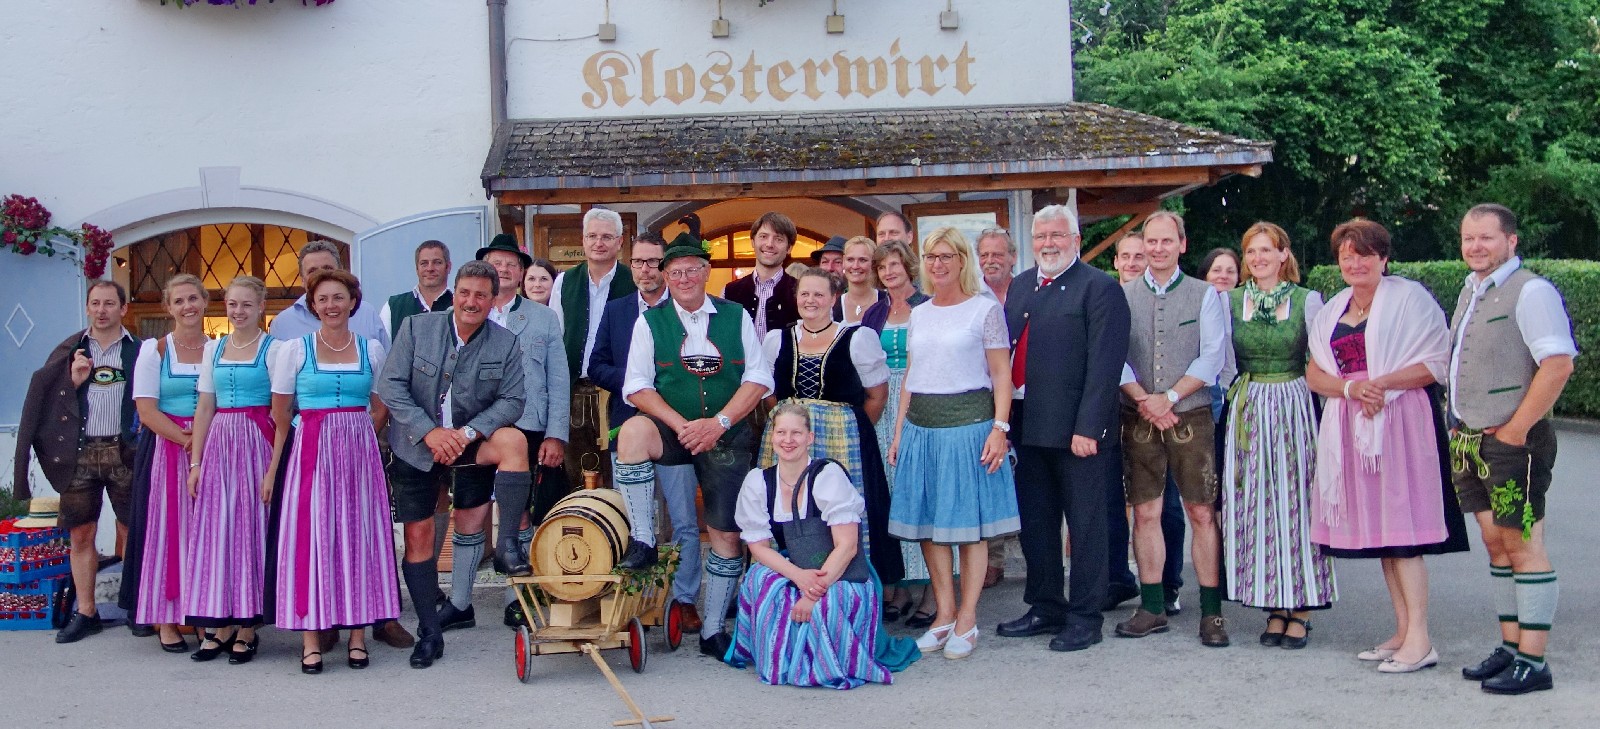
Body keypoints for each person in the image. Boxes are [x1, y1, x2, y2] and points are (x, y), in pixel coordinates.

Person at [1305, 219, 1469, 674]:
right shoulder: (1332, 310)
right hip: (1351, 422)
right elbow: (1315, 372)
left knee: (1403, 533)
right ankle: (1402, 630)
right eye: (1347, 256)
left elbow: (1437, 362)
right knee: (1383, 535)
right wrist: (1352, 389)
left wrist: (1381, 384)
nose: (1355, 263)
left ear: (1383, 258)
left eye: (1364, 254)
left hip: (1400, 421)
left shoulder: (1411, 300)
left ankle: (1421, 640)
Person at [612, 232, 774, 659]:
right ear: (665, 277)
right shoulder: (650, 321)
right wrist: (682, 425)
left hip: (726, 432)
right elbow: (636, 386)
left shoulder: (735, 315)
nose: (684, 278)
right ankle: (643, 539)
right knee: (632, 433)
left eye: (691, 270)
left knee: (725, 532)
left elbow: (758, 378)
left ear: (706, 273)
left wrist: (719, 423)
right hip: (674, 427)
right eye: (675, 272)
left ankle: (714, 629)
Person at [377, 261, 533, 669]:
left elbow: (513, 401)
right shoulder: (416, 328)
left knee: (514, 441)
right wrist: (430, 432)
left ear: (493, 299)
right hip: (416, 444)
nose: (471, 301)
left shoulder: (505, 342)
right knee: (419, 538)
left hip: (468, 442)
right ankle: (430, 632)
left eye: (481, 295)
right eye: (465, 292)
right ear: (454, 293)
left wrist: (466, 433)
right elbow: (390, 385)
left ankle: (507, 545)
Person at [1447, 204, 1576, 694]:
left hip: (1510, 441)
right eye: (1468, 238)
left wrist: (1517, 430)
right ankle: (1511, 646)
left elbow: (1558, 364)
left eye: (1486, 237)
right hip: (1471, 440)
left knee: (1523, 544)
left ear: (1511, 241)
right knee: (1496, 542)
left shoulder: (1532, 291)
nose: (1475, 246)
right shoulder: (1471, 288)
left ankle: (1534, 661)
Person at [995, 206, 1129, 653]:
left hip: (1077, 431)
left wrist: (1089, 427)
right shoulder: (1020, 285)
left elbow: (1105, 366)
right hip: (1025, 423)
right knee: (1036, 524)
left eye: (1057, 235)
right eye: (1040, 237)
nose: (1048, 244)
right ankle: (1045, 605)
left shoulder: (1100, 288)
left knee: (1086, 527)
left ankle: (1086, 617)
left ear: (1075, 240)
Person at [266, 238, 411, 650]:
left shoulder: (371, 348)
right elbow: (280, 411)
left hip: (358, 451)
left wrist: (358, 431)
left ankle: (358, 632)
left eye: (338, 298)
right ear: (313, 305)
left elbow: (382, 403)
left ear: (352, 303)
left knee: (359, 532)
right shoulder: (293, 348)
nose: (331, 305)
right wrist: (311, 434)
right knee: (313, 533)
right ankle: (316, 625)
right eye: (323, 299)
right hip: (311, 450)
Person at [887, 226, 1020, 660]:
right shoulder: (920, 313)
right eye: (931, 256)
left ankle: (967, 617)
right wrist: (900, 432)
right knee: (929, 526)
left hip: (969, 428)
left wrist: (999, 429)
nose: (938, 264)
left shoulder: (984, 310)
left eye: (946, 256)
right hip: (922, 429)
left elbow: (1001, 374)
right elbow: (912, 376)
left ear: (963, 261)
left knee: (968, 528)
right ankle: (943, 615)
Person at [1114, 211, 1230, 646]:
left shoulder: (1205, 294)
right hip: (1139, 414)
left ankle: (1212, 612)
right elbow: (1113, 354)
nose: (1157, 248)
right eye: (1151, 241)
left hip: (1190, 414)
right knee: (1146, 512)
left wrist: (1170, 397)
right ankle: (1152, 606)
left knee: (1201, 512)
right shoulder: (1122, 294)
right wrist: (1145, 399)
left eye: (1166, 241)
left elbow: (1212, 355)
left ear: (1182, 244)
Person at [1220, 223, 1335, 650]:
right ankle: (1273, 602)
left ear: (1284, 254)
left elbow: (1324, 358)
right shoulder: (1230, 301)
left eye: (1266, 250)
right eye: (1251, 251)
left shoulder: (1307, 300)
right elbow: (1223, 361)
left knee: (1297, 501)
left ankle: (1301, 605)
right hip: (1249, 404)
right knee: (1257, 504)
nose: (1258, 258)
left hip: (1293, 403)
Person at [726, 402, 897, 689]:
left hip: (839, 570)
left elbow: (847, 546)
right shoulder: (759, 482)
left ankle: (824, 665)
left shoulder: (828, 476)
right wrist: (799, 576)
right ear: (772, 437)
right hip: (793, 566)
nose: (788, 440)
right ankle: (780, 660)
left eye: (796, 433)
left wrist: (814, 592)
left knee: (829, 602)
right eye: (781, 432)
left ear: (810, 438)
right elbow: (759, 548)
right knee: (759, 579)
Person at [589, 232, 708, 632]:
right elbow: (596, 365)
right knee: (634, 523)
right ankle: (635, 601)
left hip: (677, 429)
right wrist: (637, 382)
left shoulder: (686, 309)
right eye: (638, 262)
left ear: (667, 266)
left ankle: (684, 600)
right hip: (629, 427)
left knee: (682, 520)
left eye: (654, 262)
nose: (645, 269)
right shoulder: (617, 310)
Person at [15, 280, 140, 644]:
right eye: (95, 303)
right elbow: (44, 401)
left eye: (109, 303)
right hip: (79, 453)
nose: (101, 310)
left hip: (125, 451)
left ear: (123, 309)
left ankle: (133, 606)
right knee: (81, 533)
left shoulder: (140, 350)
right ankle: (87, 612)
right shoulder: (70, 350)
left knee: (131, 529)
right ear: (87, 307)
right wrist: (71, 382)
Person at [759, 268, 901, 585]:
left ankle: (852, 584)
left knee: (843, 512)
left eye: (819, 294)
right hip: (790, 441)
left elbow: (877, 395)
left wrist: (849, 428)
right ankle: (788, 582)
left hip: (844, 442)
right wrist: (786, 421)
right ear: (796, 298)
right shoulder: (777, 339)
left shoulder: (857, 338)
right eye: (805, 294)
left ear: (834, 298)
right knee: (790, 506)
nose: (811, 300)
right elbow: (768, 393)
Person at [182, 276, 277, 663]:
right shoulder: (214, 348)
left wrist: (274, 466)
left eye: (247, 305)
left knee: (250, 529)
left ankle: (248, 626)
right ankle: (221, 623)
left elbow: (282, 408)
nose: (238, 312)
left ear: (261, 308)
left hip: (256, 442)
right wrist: (196, 462)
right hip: (220, 445)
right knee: (218, 531)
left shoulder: (275, 349)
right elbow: (205, 406)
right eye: (233, 304)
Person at [1103, 231, 1187, 615]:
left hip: (1161, 411)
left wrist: (1156, 402)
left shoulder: (1164, 300)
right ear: (1116, 262)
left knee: (1164, 505)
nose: (1134, 262)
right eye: (1127, 256)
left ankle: (1168, 585)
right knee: (1111, 503)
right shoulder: (1107, 298)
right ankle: (1118, 579)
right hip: (1114, 411)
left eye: (1141, 255)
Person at [126, 274, 210, 653]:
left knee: (204, 532)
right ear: (168, 308)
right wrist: (187, 440)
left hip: (210, 448)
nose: (187, 306)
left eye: (193, 298)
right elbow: (146, 411)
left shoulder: (217, 349)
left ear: (205, 302)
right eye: (179, 301)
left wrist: (203, 442)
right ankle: (166, 617)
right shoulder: (155, 351)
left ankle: (201, 614)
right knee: (167, 531)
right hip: (168, 448)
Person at [861, 240, 937, 626]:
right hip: (882, 404)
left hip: (920, 400)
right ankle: (900, 584)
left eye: (894, 264)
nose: (889, 272)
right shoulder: (874, 312)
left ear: (908, 266)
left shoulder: (928, 306)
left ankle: (934, 591)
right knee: (888, 495)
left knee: (920, 493)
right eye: (882, 267)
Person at [550, 211, 637, 489]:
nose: (599, 243)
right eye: (592, 236)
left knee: (620, 469)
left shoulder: (633, 281)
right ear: (583, 240)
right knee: (578, 472)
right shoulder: (565, 282)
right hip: (576, 390)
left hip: (619, 392)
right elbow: (556, 338)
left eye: (607, 237)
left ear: (620, 241)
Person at [975, 226, 1019, 587]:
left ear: (1012, 258)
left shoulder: (1028, 291)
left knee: (1029, 478)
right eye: (985, 255)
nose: (991, 261)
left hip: (1029, 396)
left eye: (998, 254)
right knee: (989, 472)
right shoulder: (973, 296)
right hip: (987, 397)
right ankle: (993, 559)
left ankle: (1040, 557)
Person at [269, 239, 390, 349]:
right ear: (302, 280)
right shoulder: (283, 323)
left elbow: (386, 363)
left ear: (341, 272)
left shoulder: (367, 313)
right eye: (312, 271)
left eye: (327, 268)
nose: (321, 275)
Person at [723, 212, 801, 340]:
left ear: (789, 248)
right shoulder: (729, 292)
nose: (769, 244)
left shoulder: (801, 291)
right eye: (763, 236)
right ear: (753, 242)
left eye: (778, 239)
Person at [380, 240, 453, 340]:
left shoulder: (460, 306)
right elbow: (383, 347)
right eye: (424, 263)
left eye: (437, 262)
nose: (430, 268)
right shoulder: (393, 306)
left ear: (448, 267)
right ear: (417, 269)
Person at [835, 236, 886, 325]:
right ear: (843, 261)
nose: (855, 266)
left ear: (874, 263)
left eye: (862, 260)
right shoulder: (834, 306)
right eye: (850, 260)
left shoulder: (887, 301)